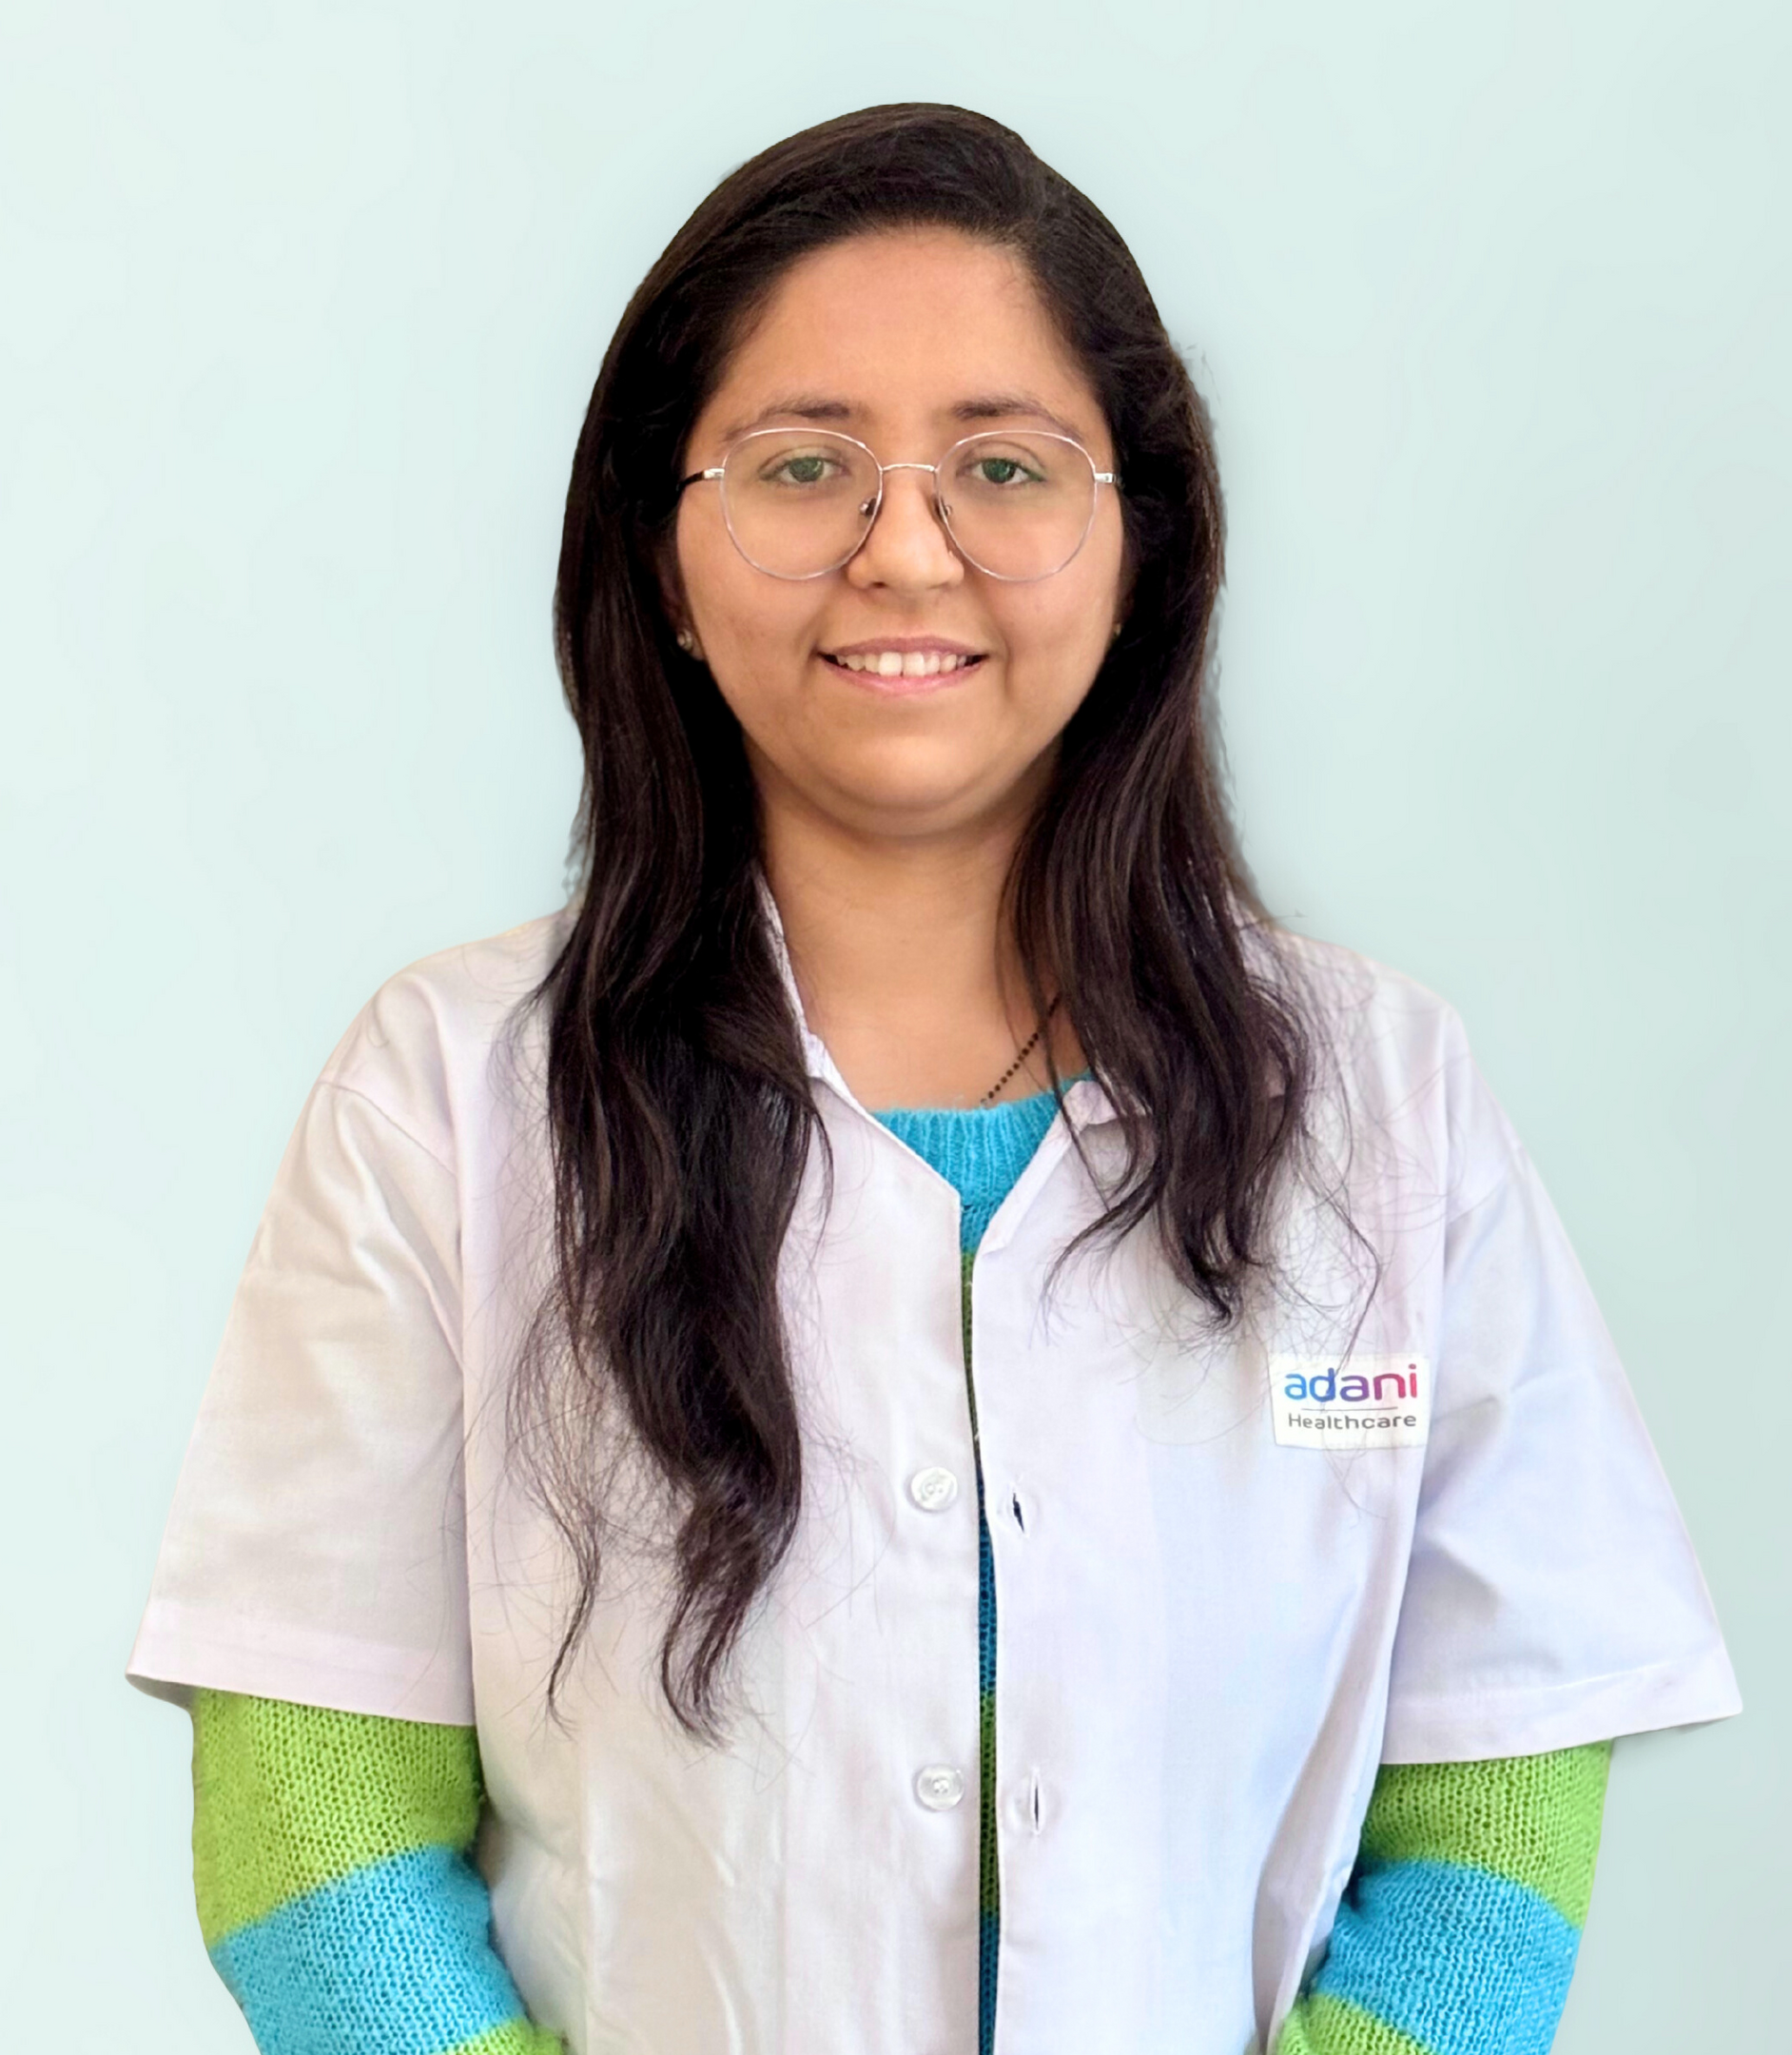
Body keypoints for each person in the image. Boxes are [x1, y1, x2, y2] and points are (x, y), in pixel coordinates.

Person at [127, 103, 1740, 2055]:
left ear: (1139, 542)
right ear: (661, 557)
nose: (905, 547)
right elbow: (319, 1836)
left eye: (1002, 465)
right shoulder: (453, 1099)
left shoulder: (1380, 1102)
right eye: (805, 467)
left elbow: (1495, 1800)